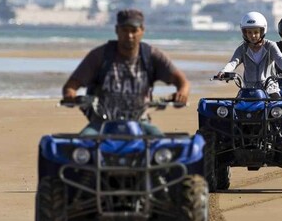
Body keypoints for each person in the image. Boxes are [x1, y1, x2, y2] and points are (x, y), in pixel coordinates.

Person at [62, 9, 190, 135]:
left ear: (142, 31)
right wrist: (70, 96)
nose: (129, 36)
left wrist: (181, 94)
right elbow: (71, 85)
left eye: (134, 31)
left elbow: (182, 81)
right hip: (101, 124)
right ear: (117, 30)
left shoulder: (151, 56)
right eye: (125, 30)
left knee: (162, 144)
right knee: (82, 143)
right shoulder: (100, 56)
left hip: (141, 122)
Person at [216, 11, 282, 98]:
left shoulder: (270, 46)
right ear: (245, 33)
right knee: (236, 107)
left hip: (270, 89)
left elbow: (280, 59)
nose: (253, 35)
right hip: (248, 90)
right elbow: (233, 62)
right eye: (249, 32)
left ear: (262, 31)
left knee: (277, 106)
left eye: (256, 32)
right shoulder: (242, 48)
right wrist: (223, 71)